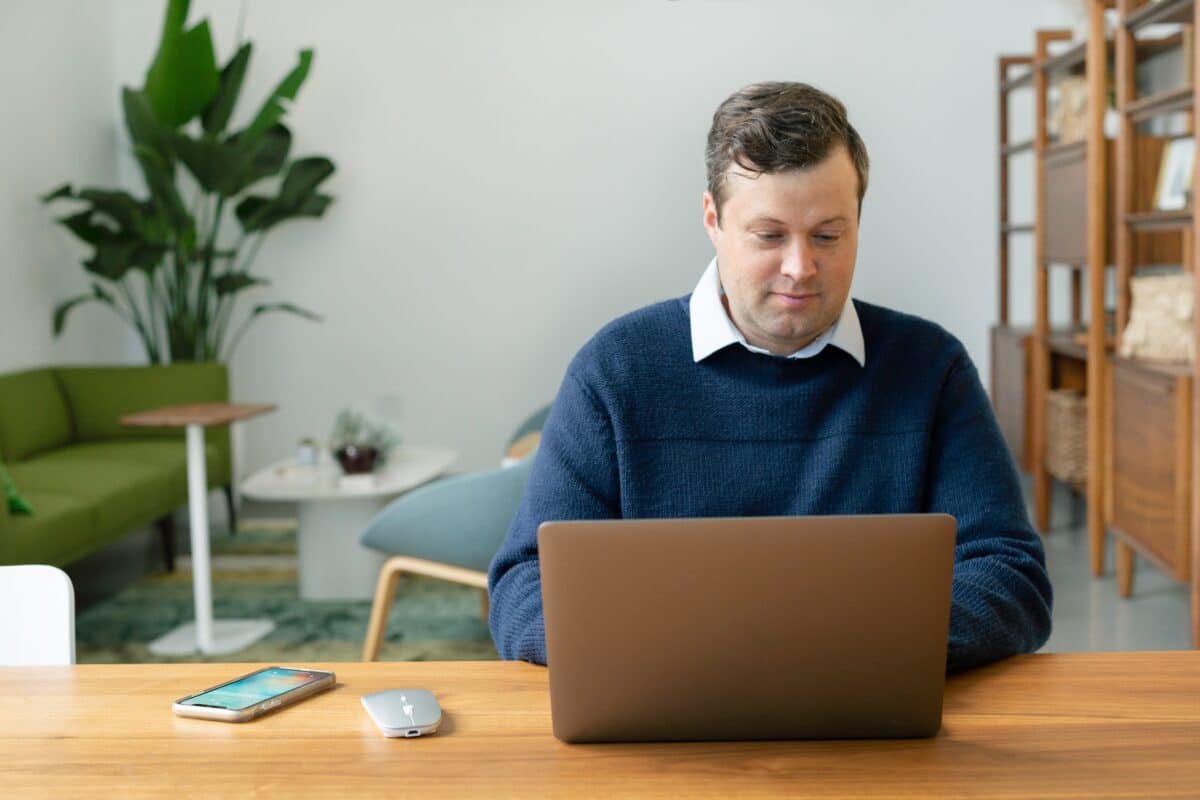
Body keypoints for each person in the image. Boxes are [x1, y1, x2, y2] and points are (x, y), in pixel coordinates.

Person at [487, 81, 1052, 673]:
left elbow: (1011, 575)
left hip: (871, 728)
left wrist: (835, 650)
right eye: (770, 235)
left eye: (829, 236)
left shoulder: (931, 368)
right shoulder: (616, 371)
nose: (800, 268)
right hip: (667, 724)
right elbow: (524, 587)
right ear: (713, 218)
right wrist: (701, 654)